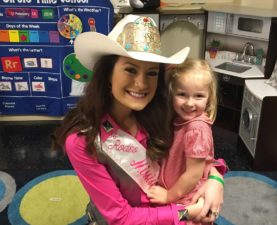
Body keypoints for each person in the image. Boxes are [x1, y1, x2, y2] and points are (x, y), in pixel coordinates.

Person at [52, 15, 226, 225]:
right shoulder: (83, 140)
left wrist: (216, 179)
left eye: (151, 73)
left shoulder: (162, 111)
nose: (141, 84)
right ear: (108, 73)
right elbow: (121, 218)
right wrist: (185, 212)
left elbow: (197, 153)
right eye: (130, 69)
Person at [147, 59, 223, 224]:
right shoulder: (179, 120)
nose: (189, 103)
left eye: (199, 96)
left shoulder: (196, 128)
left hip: (187, 198)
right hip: (178, 192)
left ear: (209, 98)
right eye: (182, 94)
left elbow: (192, 175)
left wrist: (169, 196)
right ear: (172, 93)